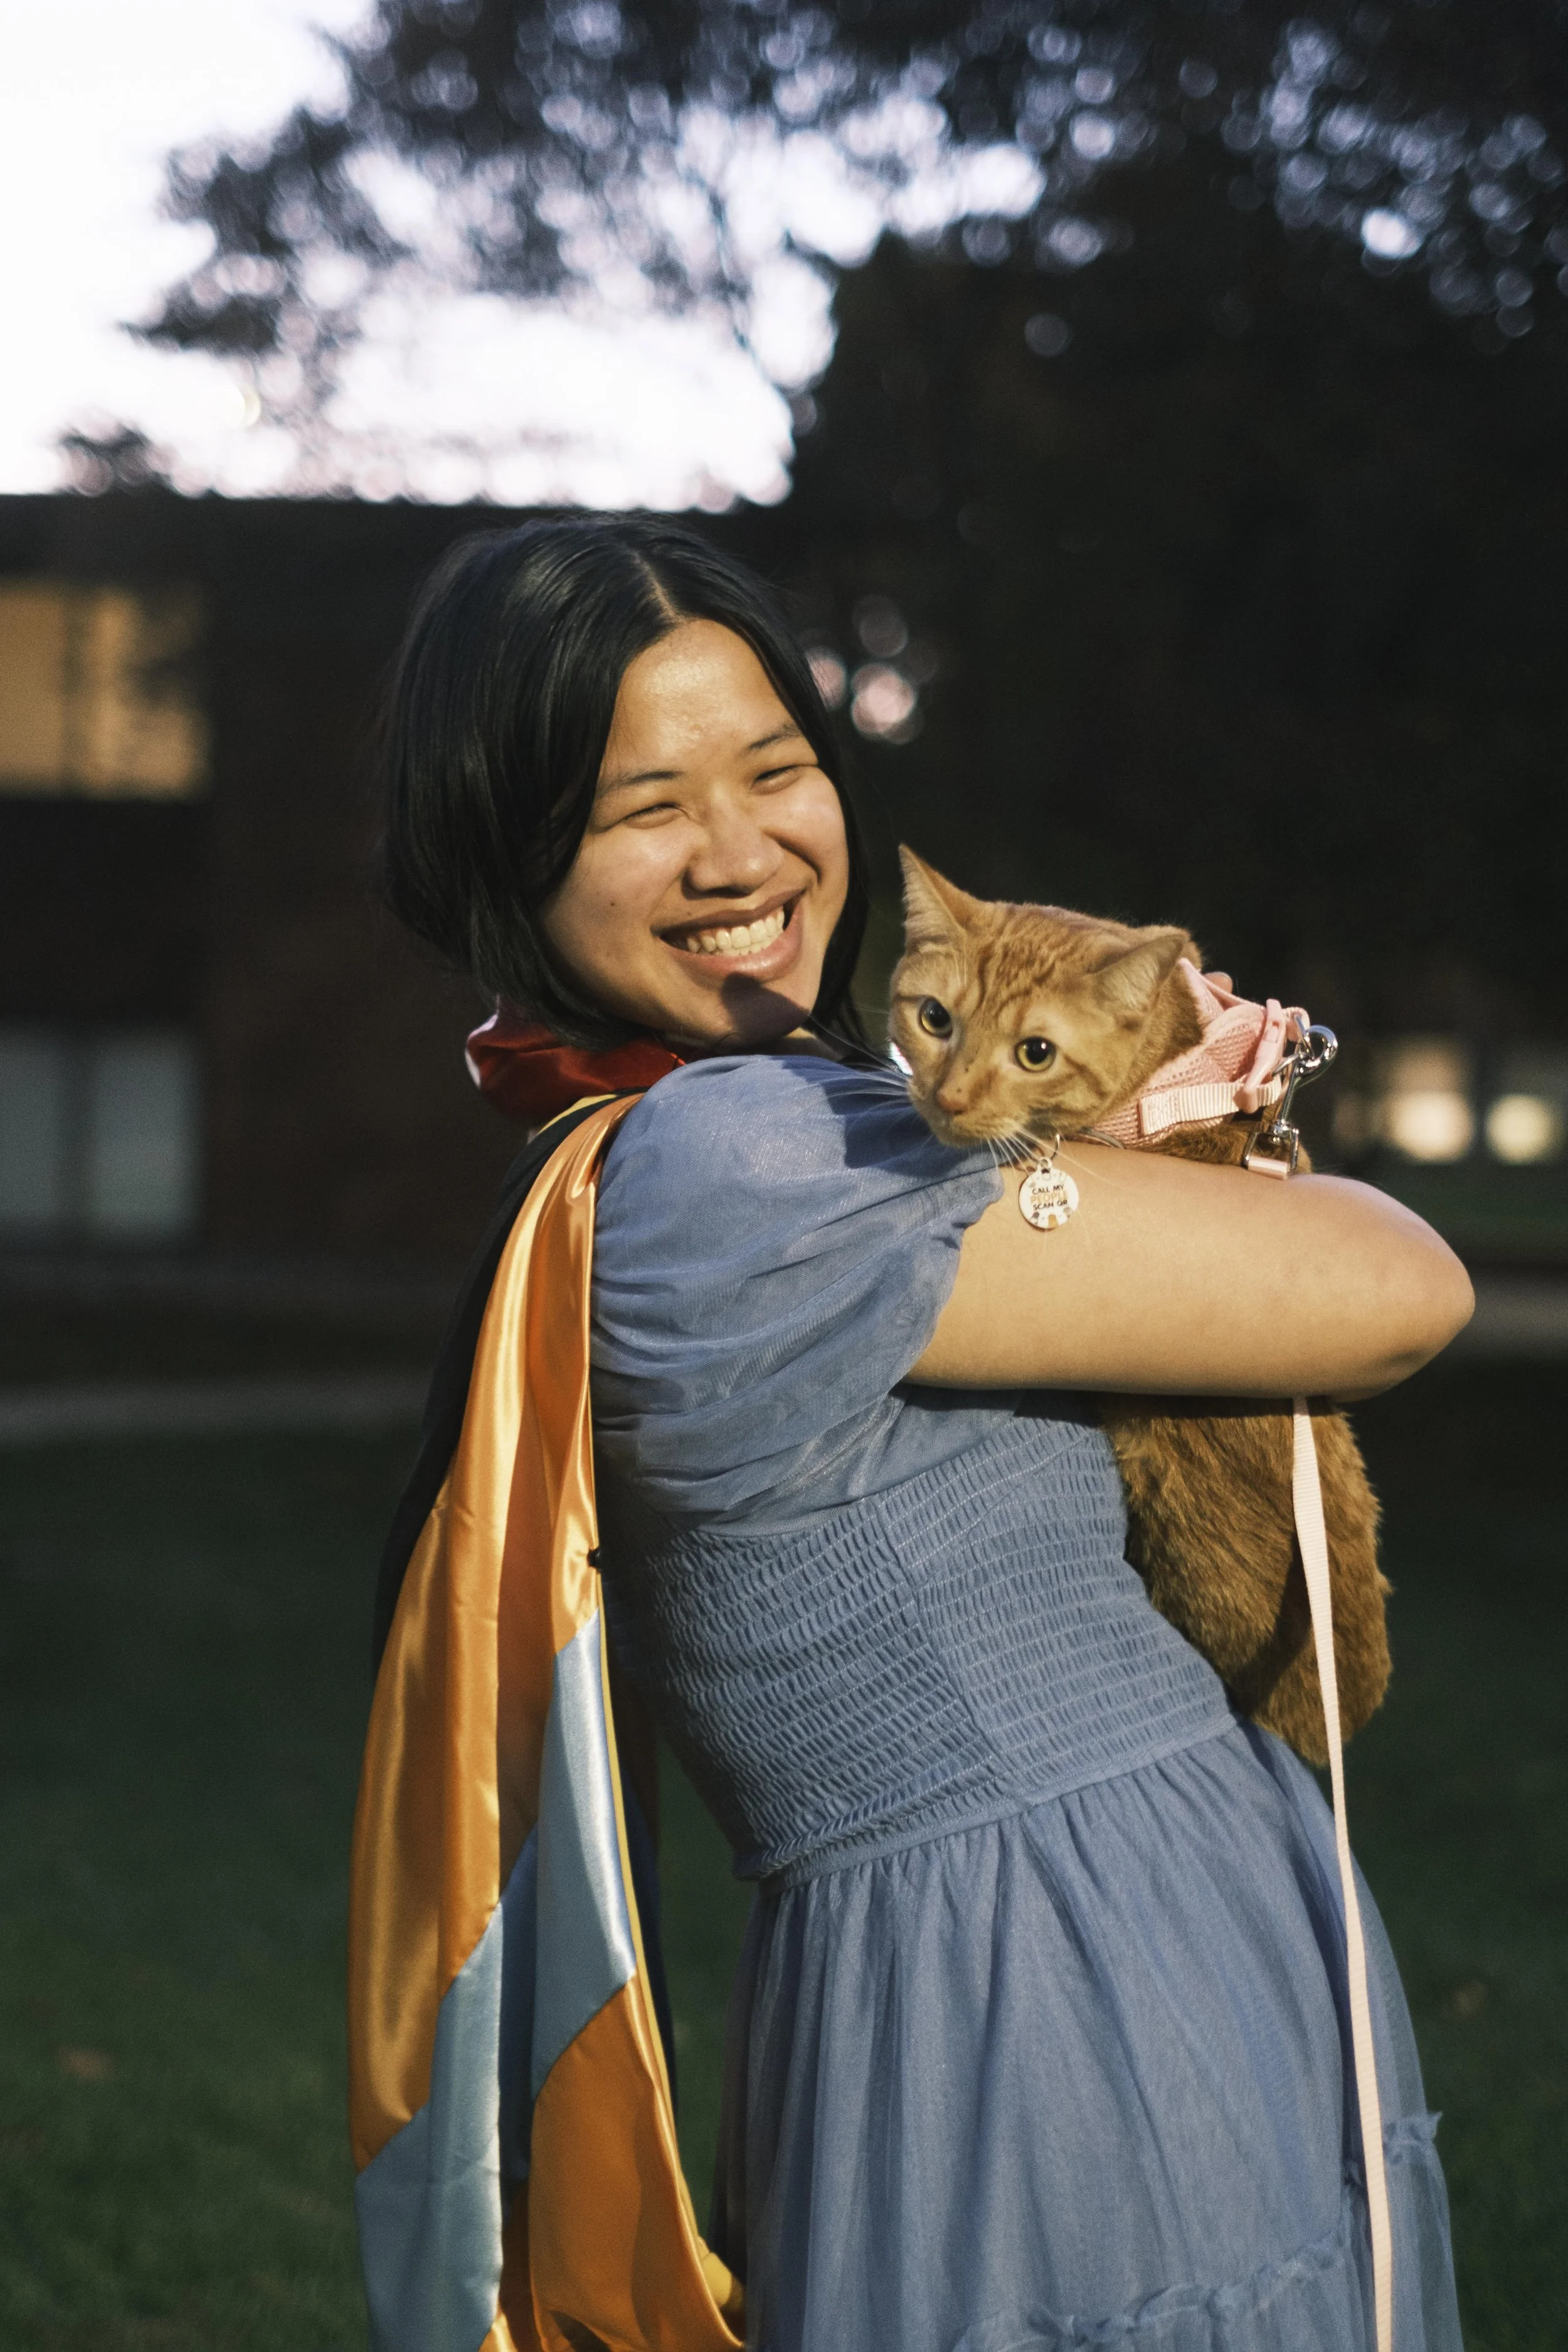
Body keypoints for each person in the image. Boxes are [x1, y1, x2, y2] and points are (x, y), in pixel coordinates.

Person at [371, 514, 1473, 2352]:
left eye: (778, 768)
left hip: (1059, 1943)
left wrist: (1102, 1148)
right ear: (509, 843)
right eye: (645, 802)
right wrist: (1143, 1157)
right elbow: (1400, 1286)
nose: (742, 852)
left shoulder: (758, 1130)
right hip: (1054, 1995)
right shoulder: (729, 1165)